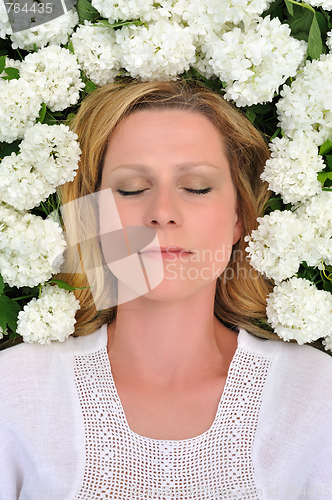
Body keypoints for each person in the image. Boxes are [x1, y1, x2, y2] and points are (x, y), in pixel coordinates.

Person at [0, 80, 331, 500]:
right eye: (131, 189)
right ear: (94, 217)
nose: (162, 213)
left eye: (196, 187)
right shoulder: (12, 392)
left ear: (239, 218)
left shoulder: (316, 396)